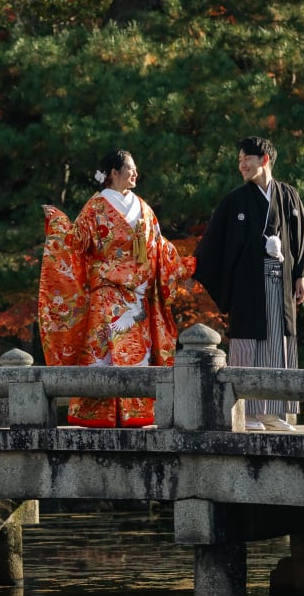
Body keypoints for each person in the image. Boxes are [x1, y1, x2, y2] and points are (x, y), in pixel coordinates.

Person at [38, 149, 195, 427]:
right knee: (103, 354)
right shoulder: (96, 207)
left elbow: (159, 247)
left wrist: (184, 267)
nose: (135, 173)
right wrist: (59, 222)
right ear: (114, 172)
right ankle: (100, 414)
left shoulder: (143, 208)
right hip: (106, 293)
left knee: (138, 354)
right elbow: (75, 244)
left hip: (138, 296)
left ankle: (135, 412)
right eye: (130, 168)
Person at [192, 136, 304, 432]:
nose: (242, 165)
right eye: (239, 160)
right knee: (248, 344)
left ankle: (273, 413)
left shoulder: (288, 195)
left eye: (246, 158)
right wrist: (195, 268)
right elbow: (214, 242)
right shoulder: (235, 200)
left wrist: (300, 275)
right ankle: (246, 411)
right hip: (248, 284)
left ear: (265, 160)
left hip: (282, 282)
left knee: (279, 343)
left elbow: (300, 237)